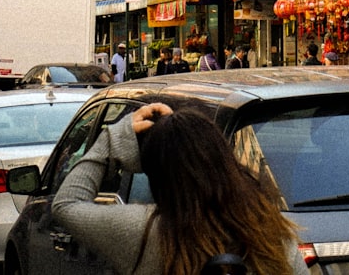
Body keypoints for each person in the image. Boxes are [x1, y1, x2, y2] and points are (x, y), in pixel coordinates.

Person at [52, 102, 307, 274]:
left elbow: (66, 205)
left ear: (158, 176)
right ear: (224, 159)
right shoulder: (268, 230)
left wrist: (113, 139)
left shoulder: (145, 232)